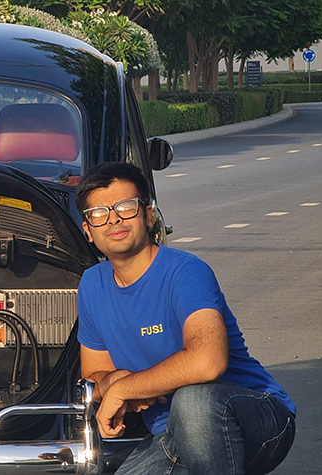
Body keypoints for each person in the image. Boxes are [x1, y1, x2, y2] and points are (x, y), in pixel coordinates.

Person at [75, 162, 295, 475]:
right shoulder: (92, 284)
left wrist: (126, 390)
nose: (114, 219)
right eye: (99, 212)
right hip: (171, 436)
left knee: (193, 402)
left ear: (148, 215)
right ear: (88, 229)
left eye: (126, 207)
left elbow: (208, 362)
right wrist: (111, 382)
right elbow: (95, 373)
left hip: (257, 418)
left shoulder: (185, 271)